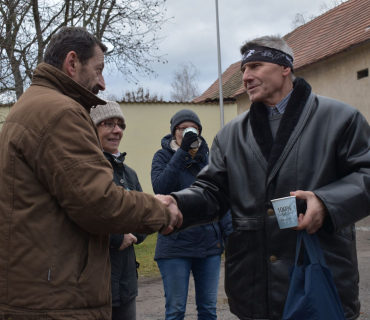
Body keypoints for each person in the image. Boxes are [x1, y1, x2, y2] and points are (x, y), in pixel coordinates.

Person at [157, 36, 370, 320]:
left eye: (255, 66)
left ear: (285, 67)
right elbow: (212, 192)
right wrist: (178, 205)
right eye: (244, 70)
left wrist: (326, 203)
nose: (245, 77)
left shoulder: (341, 118)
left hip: (319, 278)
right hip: (254, 286)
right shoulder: (231, 134)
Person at [0, 27, 181, 320]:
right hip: (56, 301)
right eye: (98, 70)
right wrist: (161, 211)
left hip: (36, 293)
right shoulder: (60, 112)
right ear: (72, 63)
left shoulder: (29, 106)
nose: (102, 83)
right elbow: (99, 203)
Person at [151, 109, 232, 320]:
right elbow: (161, 187)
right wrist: (182, 153)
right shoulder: (162, 156)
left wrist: (231, 235)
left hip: (209, 244)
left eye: (194, 128)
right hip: (175, 244)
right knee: (176, 310)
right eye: (183, 128)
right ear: (174, 131)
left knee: (208, 309)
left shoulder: (211, 158)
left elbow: (221, 198)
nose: (189, 132)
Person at [90, 101, 146, 320]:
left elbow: (143, 218)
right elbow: (84, 216)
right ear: (92, 129)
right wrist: (115, 237)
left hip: (126, 285)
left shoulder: (129, 174)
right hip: (96, 285)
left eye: (120, 125)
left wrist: (133, 235)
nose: (117, 130)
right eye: (108, 124)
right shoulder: (89, 169)